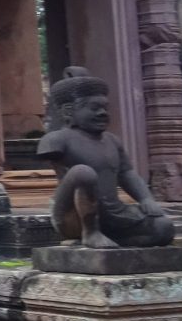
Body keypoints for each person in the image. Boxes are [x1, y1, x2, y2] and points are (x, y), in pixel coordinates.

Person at [37, 67, 174, 247]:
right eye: (94, 108)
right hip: (73, 216)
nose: (102, 113)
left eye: (105, 108)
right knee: (82, 172)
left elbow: (127, 173)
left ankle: (114, 241)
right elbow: (69, 175)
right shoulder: (56, 139)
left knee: (163, 227)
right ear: (68, 111)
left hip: (114, 213)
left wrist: (146, 199)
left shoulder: (112, 141)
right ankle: (90, 233)